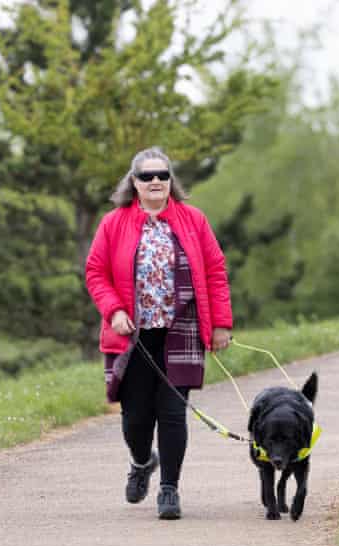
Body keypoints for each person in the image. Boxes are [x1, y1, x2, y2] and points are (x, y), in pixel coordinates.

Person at [85, 146, 232, 520]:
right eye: (147, 176)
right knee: (135, 418)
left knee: (172, 413)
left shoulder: (193, 220)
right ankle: (140, 461)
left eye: (162, 175)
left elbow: (214, 271)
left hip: (181, 329)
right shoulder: (114, 222)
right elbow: (96, 273)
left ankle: (169, 489)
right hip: (131, 336)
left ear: (171, 181)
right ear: (133, 182)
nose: (155, 182)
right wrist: (114, 311)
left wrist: (220, 324)